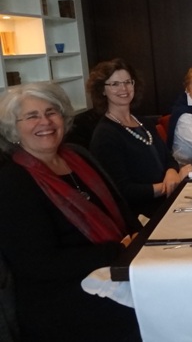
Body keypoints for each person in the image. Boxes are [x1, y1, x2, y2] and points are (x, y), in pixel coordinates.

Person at [0, 82, 141, 342]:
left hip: (116, 267)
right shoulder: (12, 182)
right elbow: (38, 264)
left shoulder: (77, 156)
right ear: (13, 129)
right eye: (32, 116)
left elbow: (121, 208)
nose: (45, 122)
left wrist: (139, 239)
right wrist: (116, 250)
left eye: (51, 112)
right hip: (63, 300)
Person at [87, 58, 191, 218]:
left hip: (169, 202)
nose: (123, 88)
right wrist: (170, 185)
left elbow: (168, 158)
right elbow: (123, 191)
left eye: (127, 82)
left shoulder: (144, 122)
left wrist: (171, 173)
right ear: (102, 90)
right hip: (145, 215)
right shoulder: (105, 135)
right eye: (115, 84)